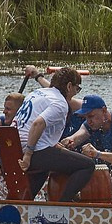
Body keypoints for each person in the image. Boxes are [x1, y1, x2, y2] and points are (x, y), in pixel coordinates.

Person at [16, 67, 93, 198]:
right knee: (87, 165)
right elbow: (37, 124)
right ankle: (64, 205)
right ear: (69, 86)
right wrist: (28, 155)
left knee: (48, 164)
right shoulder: (60, 103)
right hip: (29, 152)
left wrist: (54, 144)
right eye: (77, 89)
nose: (76, 93)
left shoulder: (36, 93)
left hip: (12, 147)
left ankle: (25, 201)